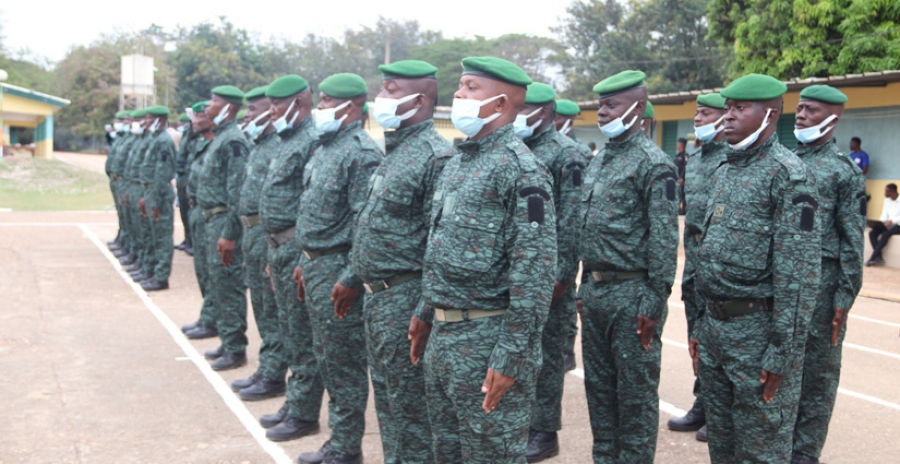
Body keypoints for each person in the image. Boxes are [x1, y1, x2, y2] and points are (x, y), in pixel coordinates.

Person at [410, 56, 556, 464]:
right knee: (448, 454)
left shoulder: (522, 172)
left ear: (500, 104)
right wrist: (425, 310)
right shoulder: (459, 163)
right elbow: (439, 248)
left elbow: (536, 275)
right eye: (460, 86)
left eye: (471, 87)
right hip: (444, 338)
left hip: (488, 342)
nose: (458, 94)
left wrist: (511, 356)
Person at [696, 73, 821, 463]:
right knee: (722, 444)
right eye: (727, 108)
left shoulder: (790, 176)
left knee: (762, 449)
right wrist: (702, 323)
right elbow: (709, 256)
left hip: (759, 334)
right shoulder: (723, 170)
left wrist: (783, 352)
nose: (728, 117)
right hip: (716, 330)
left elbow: (798, 277)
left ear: (768, 115)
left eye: (739, 108)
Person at [353, 59, 452, 464]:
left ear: (421, 100)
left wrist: (424, 308)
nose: (381, 98)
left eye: (391, 90)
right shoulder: (393, 151)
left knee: (413, 412)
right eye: (382, 89)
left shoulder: (436, 156)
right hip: (377, 298)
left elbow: (438, 242)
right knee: (390, 405)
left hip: (406, 298)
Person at [579, 70, 678, 463]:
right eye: (601, 104)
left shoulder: (654, 163)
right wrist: (585, 286)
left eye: (611, 104)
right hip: (597, 291)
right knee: (600, 394)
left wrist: (654, 299)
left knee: (634, 398)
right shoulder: (601, 159)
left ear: (637, 108)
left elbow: (665, 237)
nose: (602, 111)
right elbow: (589, 231)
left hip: (632, 296)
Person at [294, 73, 383, 464]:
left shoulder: (361, 153)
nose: (320, 107)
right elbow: (311, 214)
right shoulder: (324, 147)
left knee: (344, 363)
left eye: (327, 100)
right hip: (315, 267)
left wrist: (350, 277)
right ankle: (338, 441)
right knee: (326, 356)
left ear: (349, 108)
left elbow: (366, 225)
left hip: (339, 273)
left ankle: (346, 448)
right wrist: (303, 261)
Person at [513, 81, 587, 462]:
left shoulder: (567, 154)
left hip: (549, 278)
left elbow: (573, 221)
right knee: (519, 355)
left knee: (545, 356)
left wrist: (560, 278)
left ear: (542, 113)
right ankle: (523, 424)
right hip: (517, 275)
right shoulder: (516, 149)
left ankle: (544, 431)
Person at [792, 85, 866, 464]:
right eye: (800, 108)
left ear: (832, 120)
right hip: (785, 283)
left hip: (823, 286)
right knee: (783, 368)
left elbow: (853, 242)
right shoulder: (784, 161)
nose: (801, 115)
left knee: (817, 379)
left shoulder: (844, 173)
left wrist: (843, 299)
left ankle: (805, 453)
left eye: (811, 111)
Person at [256, 75, 325, 443]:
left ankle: (303, 413)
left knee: (301, 336)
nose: (271, 112)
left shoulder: (311, 141)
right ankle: (294, 402)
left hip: (296, 249)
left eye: (276, 105)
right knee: (287, 328)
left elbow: (310, 206)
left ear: (298, 104)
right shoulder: (289, 140)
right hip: (277, 247)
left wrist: (299, 255)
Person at [668, 93, 729, 441]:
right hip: (694, 266)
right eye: (697, 113)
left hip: (721, 269)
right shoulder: (694, 159)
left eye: (706, 113)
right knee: (697, 338)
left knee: (719, 340)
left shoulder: (733, 159)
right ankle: (702, 403)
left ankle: (718, 411)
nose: (699, 119)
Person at [231, 85, 287, 402]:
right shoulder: (258, 144)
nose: (248, 115)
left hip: (271, 236)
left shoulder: (280, 145)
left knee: (274, 310)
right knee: (262, 308)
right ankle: (268, 368)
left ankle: (275, 373)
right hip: (253, 233)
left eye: (254, 109)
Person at [196, 85, 251, 371]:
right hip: (211, 218)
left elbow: (237, 193)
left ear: (228, 107)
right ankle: (227, 340)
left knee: (228, 283)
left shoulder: (233, 141)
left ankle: (235, 347)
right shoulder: (221, 137)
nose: (208, 106)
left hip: (223, 220)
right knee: (216, 280)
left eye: (214, 101)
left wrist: (229, 233)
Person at [181, 102, 221, 340]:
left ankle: (216, 322)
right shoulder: (202, 143)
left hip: (215, 215)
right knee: (203, 270)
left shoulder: (223, 143)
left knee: (216, 274)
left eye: (198, 117)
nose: (193, 122)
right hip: (199, 211)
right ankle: (208, 316)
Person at [137, 105, 177, 291]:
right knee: (154, 235)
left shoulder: (163, 141)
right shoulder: (156, 139)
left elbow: (163, 173)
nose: (144, 122)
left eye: (148, 118)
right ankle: (153, 271)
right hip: (152, 192)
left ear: (159, 121)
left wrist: (157, 199)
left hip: (159, 194)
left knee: (162, 237)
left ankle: (161, 277)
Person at [106, 111, 131, 251]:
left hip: (128, 182)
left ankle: (131, 249)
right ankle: (123, 240)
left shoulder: (131, 140)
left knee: (132, 218)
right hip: (118, 181)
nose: (122, 124)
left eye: (126, 121)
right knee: (123, 215)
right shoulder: (122, 138)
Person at [174, 113, 196, 255]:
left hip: (189, 178)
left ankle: (192, 241)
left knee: (190, 212)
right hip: (182, 176)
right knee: (184, 211)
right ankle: (187, 239)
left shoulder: (195, 138)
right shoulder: (186, 137)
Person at [866, 183, 900, 266]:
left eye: (886, 191)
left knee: (886, 234)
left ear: (892, 191)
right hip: (888, 224)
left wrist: (891, 221)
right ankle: (879, 257)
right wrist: (881, 222)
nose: (884, 193)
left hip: (898, 225)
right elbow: (884, 214)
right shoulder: (887, 201)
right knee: (872, 233)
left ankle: (872, 257)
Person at [674, 137, 687, 215]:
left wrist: (682, 177)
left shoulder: (685, 156)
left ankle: (683, 209)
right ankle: (678, 208)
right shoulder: (677, 155)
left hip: (682, 179)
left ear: (681, 145)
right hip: (676, 178)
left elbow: (685, 167)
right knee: (677, 193)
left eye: (678, 144)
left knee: (683, 194)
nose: (676, 145)